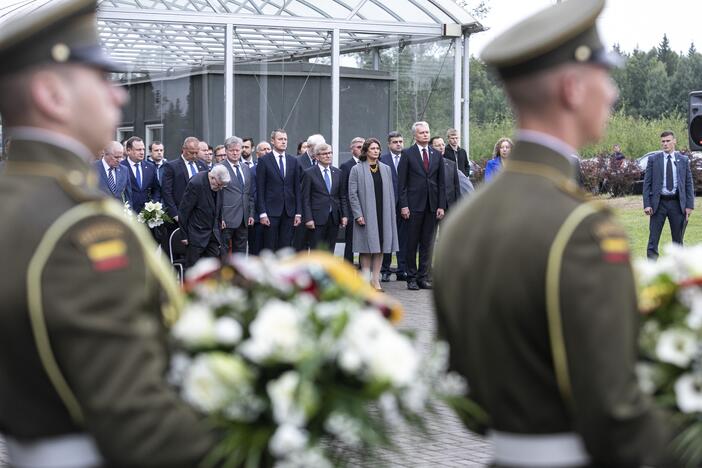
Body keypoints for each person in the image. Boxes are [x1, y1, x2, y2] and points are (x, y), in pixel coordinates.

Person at [433, 0, 677, 466]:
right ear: (571, 88)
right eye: (604, 78)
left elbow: (464, 393)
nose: (612, 94)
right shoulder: (582, 227)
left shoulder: (464, 221)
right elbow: (613, 411)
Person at [0, 0, 218, 465]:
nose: (118, 96)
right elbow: (137, 419)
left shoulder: (18, 197)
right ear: (51, 95)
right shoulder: (82, 225)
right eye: (101, 79)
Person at [398, 121, 445, 291]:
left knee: (428, 243)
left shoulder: (436, 154)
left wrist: (441, 205)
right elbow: (401, 183)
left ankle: (422, 277)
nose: (426, 134)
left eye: (427, 132)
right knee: (412, 243)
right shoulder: (407, 154)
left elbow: (441, 183)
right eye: (422, 132)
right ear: (415, 135)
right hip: (413, 206)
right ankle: (411, 277)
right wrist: (404, 205)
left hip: (432, 206)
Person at [348, 138, 398, 291]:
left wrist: (391, 214)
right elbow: (352, 194)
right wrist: (358, 214)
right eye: (373, 148)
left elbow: (390, 192)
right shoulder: (357, 169)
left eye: (378, 148)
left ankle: (375, 281)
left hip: (383, 212)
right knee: (366, 248)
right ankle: (365, 280)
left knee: (380, 246)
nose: (376, 151)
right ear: (366, 151)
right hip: (366, 213)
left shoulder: (386, 168)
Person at [643, 130, 694, 259]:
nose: (665, 144)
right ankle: (651, 269)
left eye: (668, 141)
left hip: (677, 204)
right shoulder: (653, 160)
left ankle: (678, 270)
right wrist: (647, 204)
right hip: (658, 204)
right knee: (653, 239)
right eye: (663, 141)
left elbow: (688, 184)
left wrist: (689, 206)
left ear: (674, 141)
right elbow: (647, 184)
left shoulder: (683, 160)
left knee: (678, 241)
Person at [256, 129, 302, 251]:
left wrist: (298, 212)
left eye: (285, 139)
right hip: (270, 212)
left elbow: (297, 188)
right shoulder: (264, 161)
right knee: (269, 246)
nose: (283, 142)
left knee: (286, 247)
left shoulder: (293, 161)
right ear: (272, 141)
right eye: (280, 139)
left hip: (289, 211)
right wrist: (262, 213)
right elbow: (260, 188)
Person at [179, 165, 230, 267]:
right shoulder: (196, 183)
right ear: (212, 177)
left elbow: (218, 205)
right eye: (219, 185)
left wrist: (221, 219)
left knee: (212, 269)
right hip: (196, 234)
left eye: (222, 186)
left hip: (213, 234)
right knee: (193, 270)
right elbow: (184, 211)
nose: (220, 188)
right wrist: (184, 235)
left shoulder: (219, 184)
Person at [301, 143, 348, 252]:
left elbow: (342, 196)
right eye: (325, 154)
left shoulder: (338, 173)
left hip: (334, 218)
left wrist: (344, 215)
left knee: (330, 249)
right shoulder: (309, 173)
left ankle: (327, 270)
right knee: (316, 250)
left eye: (330, 153)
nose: (328, 156)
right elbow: (305, 198)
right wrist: (308, 218)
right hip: (316, 218)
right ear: (317, 157)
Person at [219, 136, 255, 256]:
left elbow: (248, 193)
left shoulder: (245, 168)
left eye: (237, 150)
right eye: (231, 150)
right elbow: (217, 195)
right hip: (226, 218)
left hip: (243, 219)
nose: (235, 153)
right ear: (226, 151)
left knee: (240, 253)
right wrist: (220, 217)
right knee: (223, 251)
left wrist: (250, 214)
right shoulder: (220, 168)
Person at [379, 131, 407, 282]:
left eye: (400, 141)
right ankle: (385, 269)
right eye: (395, 142)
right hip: (387, 204)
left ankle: (402, 269)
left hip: (404, 205)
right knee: (387, 237)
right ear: (389, 144)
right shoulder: (382, 160)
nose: (398, 144)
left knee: (403, 237)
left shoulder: (408, 158)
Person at [294, 134, 326, 252]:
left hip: (318, 212)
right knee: (300, 247)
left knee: (317, 248)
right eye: (319, 148)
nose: (322, 151)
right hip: (301, 212)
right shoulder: (297, 162)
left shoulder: (323, 162)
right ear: (310, 147)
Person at [340, 137, 364, 266]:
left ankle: (363, 267)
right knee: (350, 241)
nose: (362, 150)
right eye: (359, 147)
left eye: (363, 147)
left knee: (364, 241)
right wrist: (345, 212)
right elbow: (343, 190)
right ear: (352, 149)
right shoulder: (346, 166)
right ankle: (347, 267)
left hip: (365, 209)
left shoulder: (369, 164)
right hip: (350, 210)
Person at [122, 136, 160, 213]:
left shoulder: (150, 167)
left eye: (143, 149)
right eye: (138, 150)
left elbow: (156, 189)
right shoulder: (120, 167)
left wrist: (153, 205)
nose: (142, 152)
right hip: (128, 214)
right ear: (128, 151)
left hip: (146, 215)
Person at [431, 136, 461, 212]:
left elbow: (456, 187)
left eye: (443, 145)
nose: (441, 147)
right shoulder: (427, 165)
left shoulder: (451, 164)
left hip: (449, 207)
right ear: (430, 147)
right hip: (433, 207)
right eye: (438, 145)